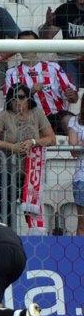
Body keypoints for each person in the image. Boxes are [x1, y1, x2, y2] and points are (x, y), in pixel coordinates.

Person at [0, 84, 56, 226]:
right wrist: (12, 147)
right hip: (6, 172)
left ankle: (34, 242)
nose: (17, 101)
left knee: (33, 216)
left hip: (30, 174)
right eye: (13, 98)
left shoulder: (37, 113)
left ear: (28, 98)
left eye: (21, 97)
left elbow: (52, 139)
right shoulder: (4, 116)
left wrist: (33, 142)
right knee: (6, 216)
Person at [4, 31, 78, 136]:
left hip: (56, 116)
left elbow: (74, 99)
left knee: (69, 120)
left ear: (38, 46)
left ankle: (77, 151)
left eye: (31, 44)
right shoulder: (11, 73)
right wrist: (30, 92)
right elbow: (9, 104)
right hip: (29, 119)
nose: (27, 47)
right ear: (18, 49)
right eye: (22, 44)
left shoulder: (53, 68)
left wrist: (72, 95)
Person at [39, 0, 84, 88]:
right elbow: (45, 38)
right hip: (70, 58)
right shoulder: (65, 9)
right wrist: (48, 24)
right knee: (71, 88)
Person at [67, 97, 84, 235]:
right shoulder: (75, 121)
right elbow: (74, 150)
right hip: (82, 178)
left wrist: (81, 143)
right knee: (82, 223)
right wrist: (78, 145)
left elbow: (78, 145)